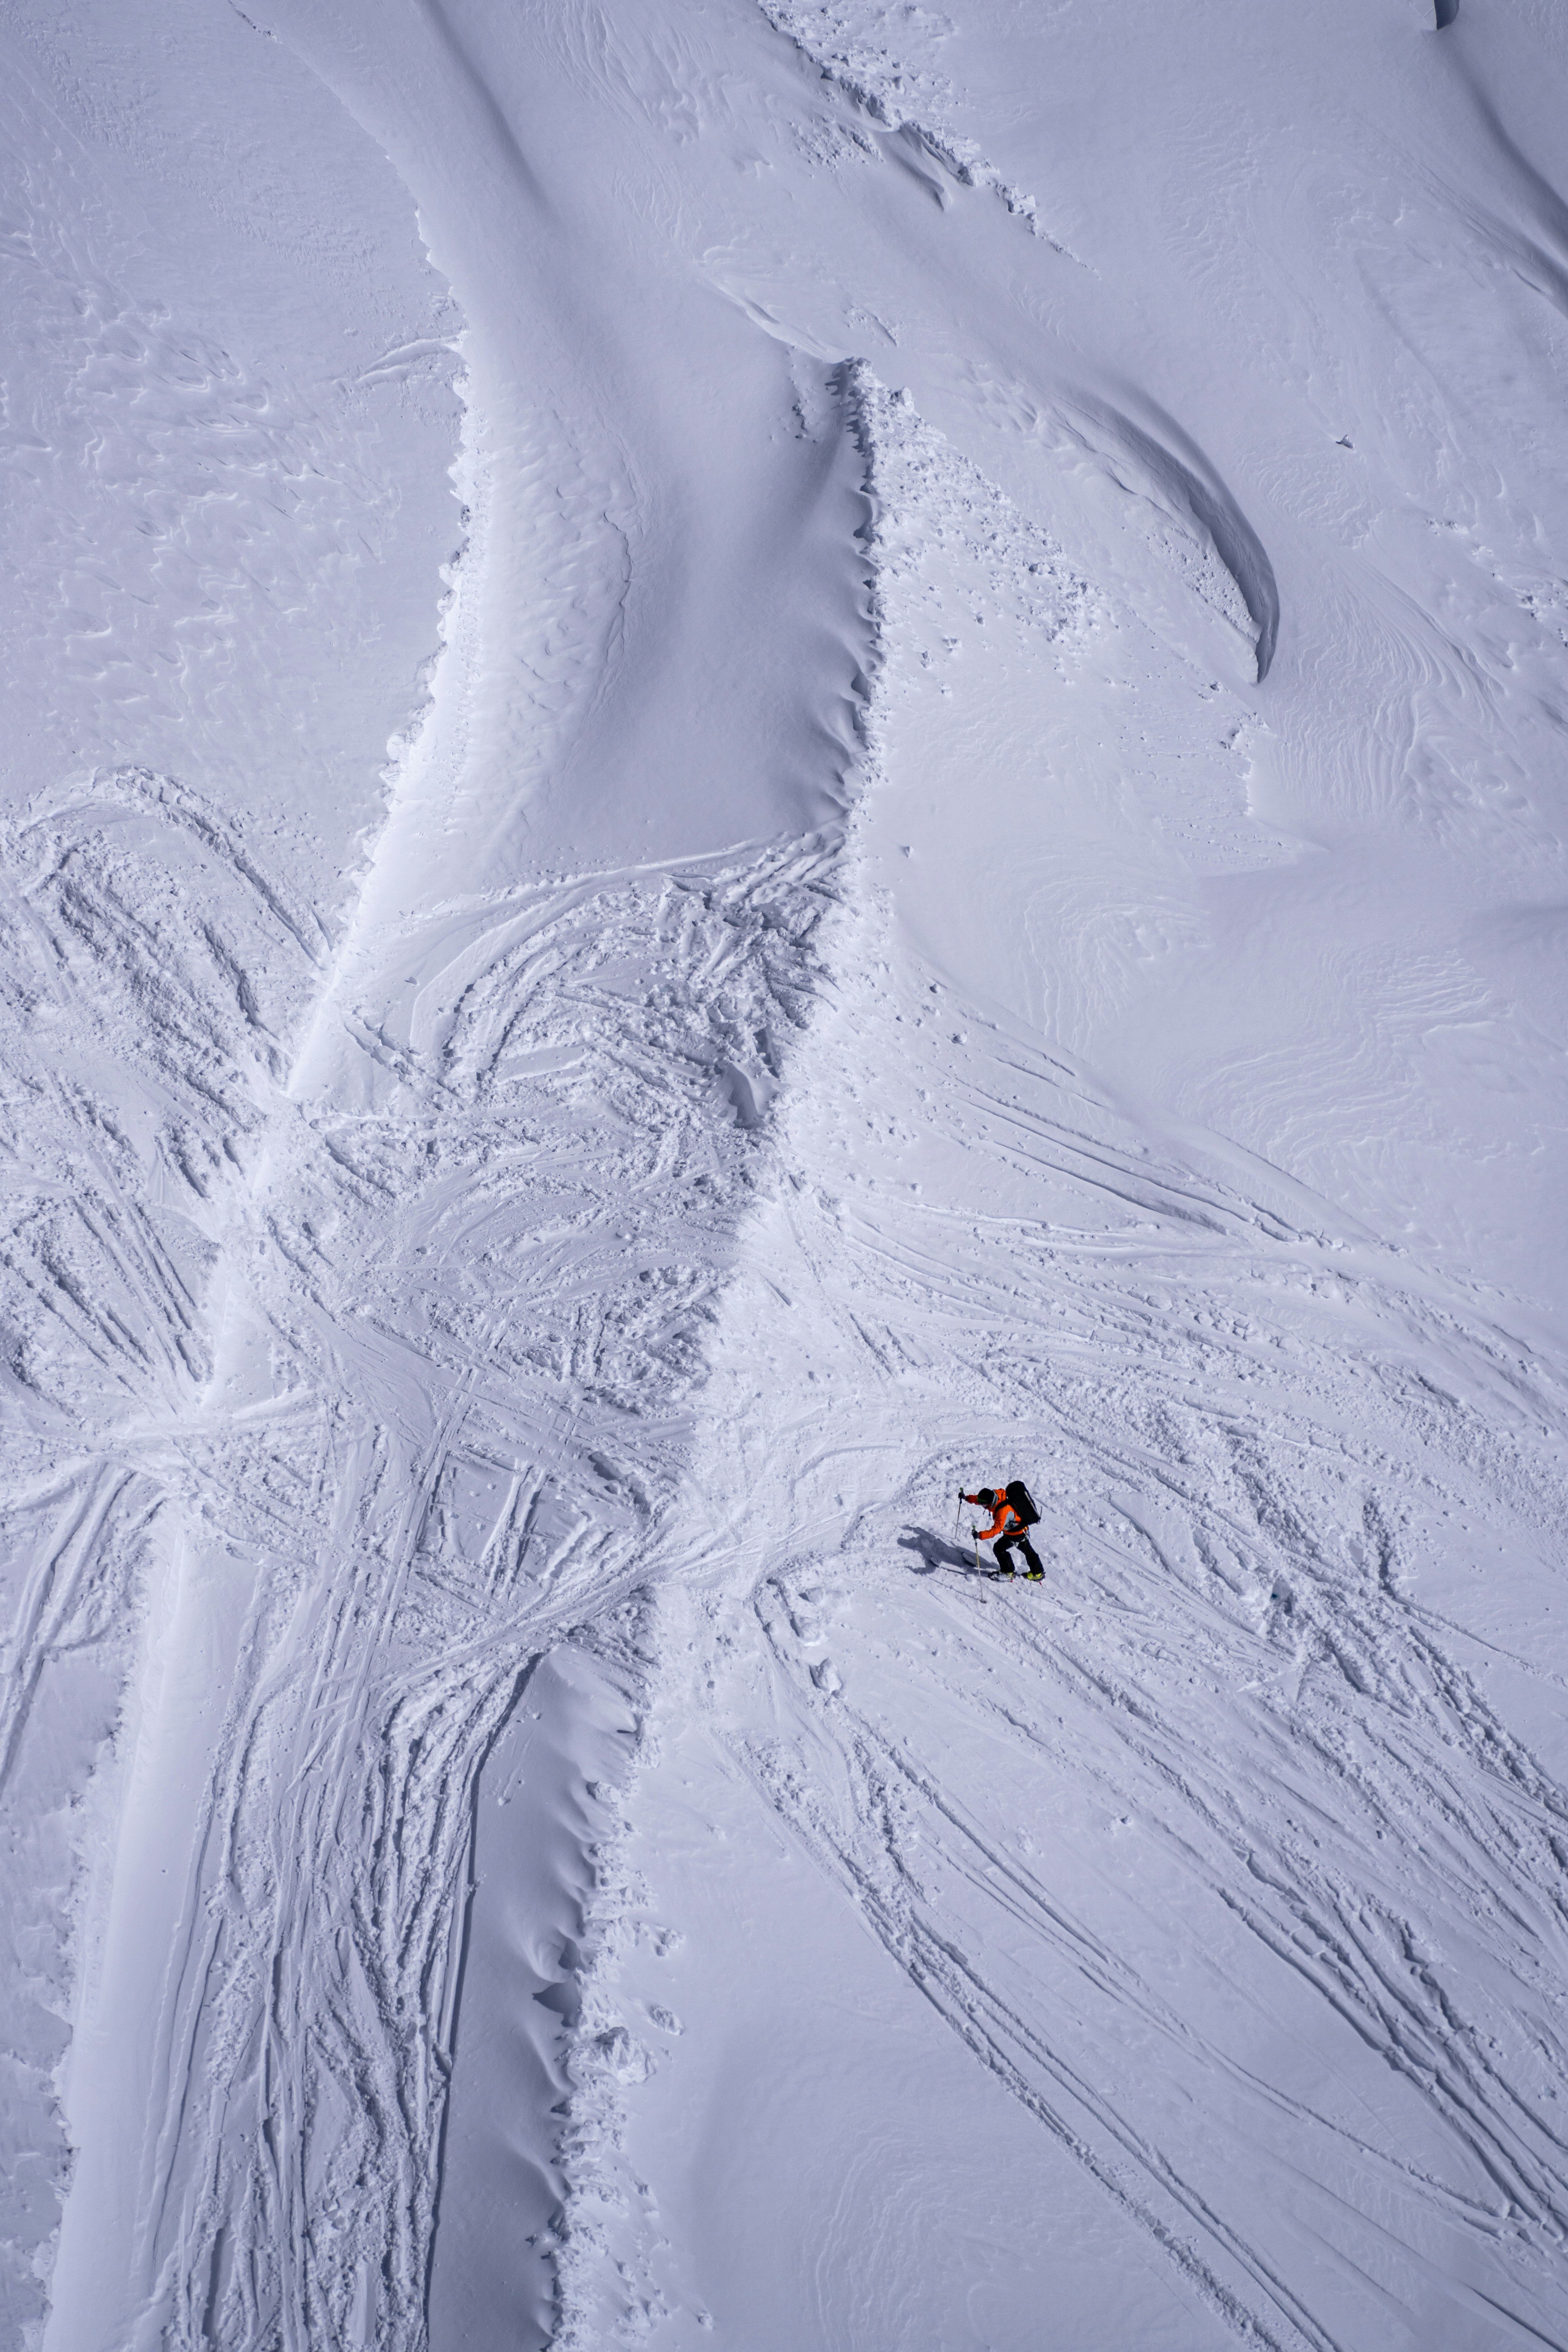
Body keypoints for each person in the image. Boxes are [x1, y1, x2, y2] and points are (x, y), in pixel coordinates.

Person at [963, 1485, 1044, 1580]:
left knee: (999, 1549)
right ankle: (1038, 1573)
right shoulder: (996, 1496)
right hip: (1018, 1531)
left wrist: (980, 1535)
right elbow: (980, 1500)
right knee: (1028, 1551)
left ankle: (1008, 1572)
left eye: (984, 1505)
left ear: (990, 1503)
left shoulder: (1002, 1512)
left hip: (1017, 1534)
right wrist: (967, 1498)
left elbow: (996, 1530)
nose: (983, 1507)